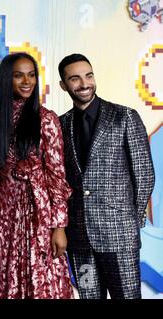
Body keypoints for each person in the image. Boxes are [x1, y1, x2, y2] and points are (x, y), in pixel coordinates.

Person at [58, 53, 155, 299]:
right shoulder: (60, 124)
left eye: (89, 76)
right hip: (79, 238)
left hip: (119, 236)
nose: (84, 84)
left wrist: (132, 221)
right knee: (89, 296)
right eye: (75, 79)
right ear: (64, 85)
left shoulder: (124, 117)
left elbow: (144, 174)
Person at [0, 53, 74, 299]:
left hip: (37, 215)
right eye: (18, 75)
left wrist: (59, 226)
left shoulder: (46, 119)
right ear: (6, 79)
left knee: (40, 278)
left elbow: (57, 177)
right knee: (3, 273)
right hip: (1, 214)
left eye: (31, 75)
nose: (26, 81)